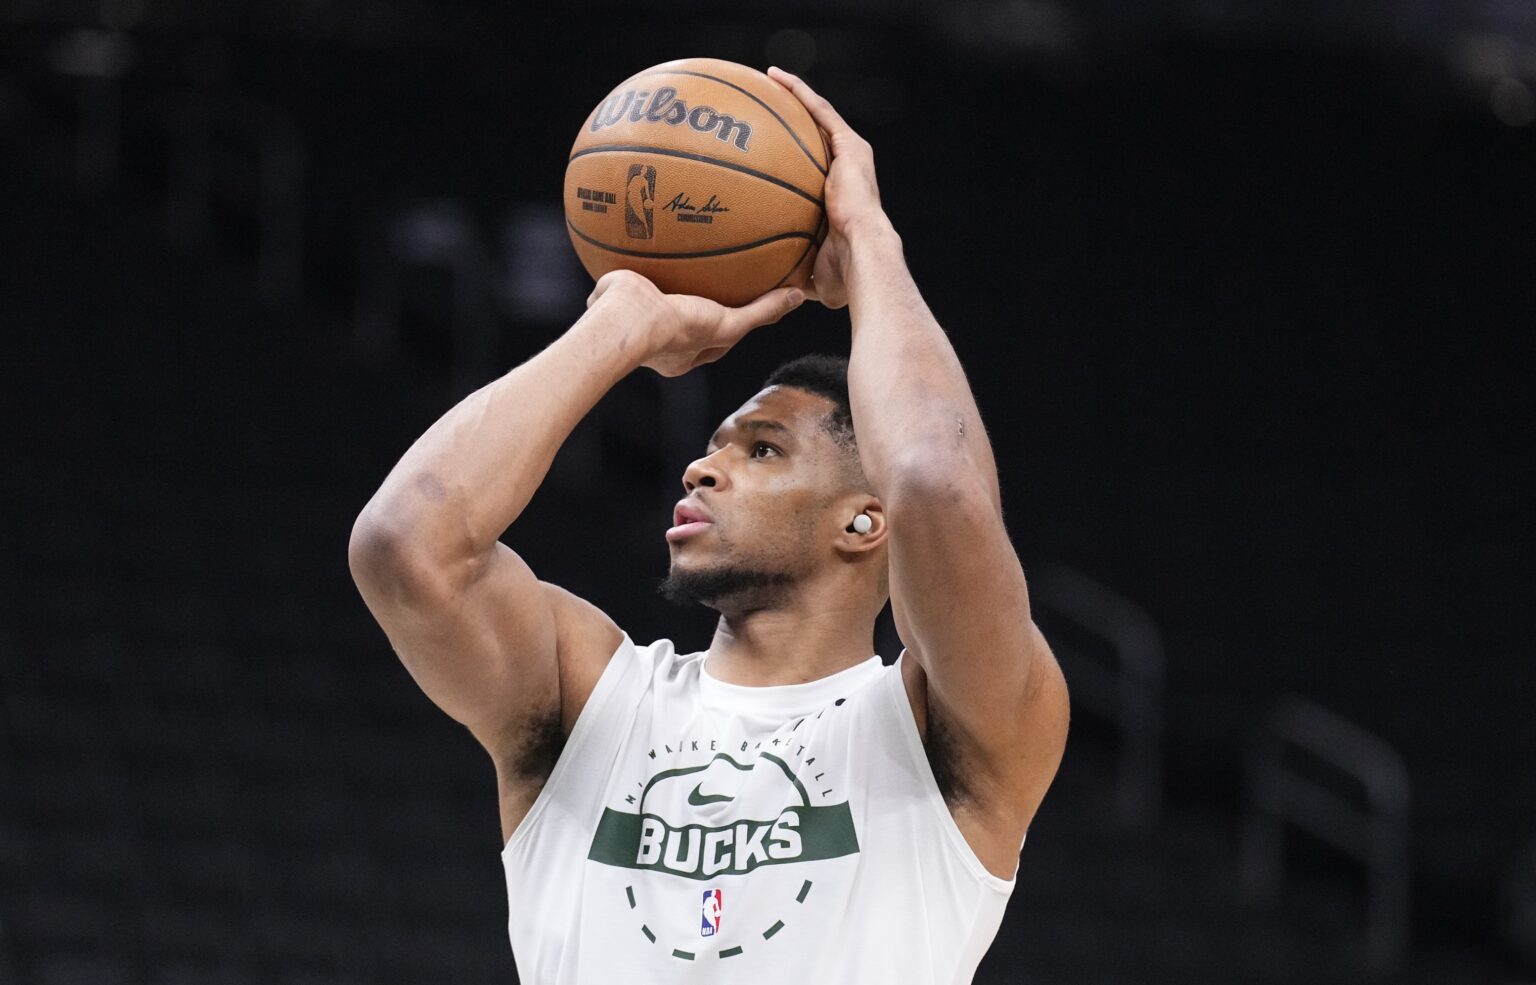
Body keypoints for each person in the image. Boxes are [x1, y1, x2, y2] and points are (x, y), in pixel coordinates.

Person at [348, 67, 1069, 984]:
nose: (702, 465)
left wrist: (869, 245)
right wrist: (620, 325)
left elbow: (936, 482)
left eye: (763, 450)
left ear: (863, 519)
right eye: (715, 445)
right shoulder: (590, 701)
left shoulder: (946, 730)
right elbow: (401, 545)